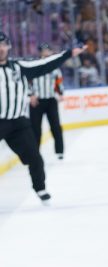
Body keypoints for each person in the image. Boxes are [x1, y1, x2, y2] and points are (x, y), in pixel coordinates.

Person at [0, 32, 82, 203]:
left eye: (3, 44)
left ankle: (40, 188)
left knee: (35, 158)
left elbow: (45, 64)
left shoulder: (19, 67)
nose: (0, 48)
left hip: (18, 123)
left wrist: (68, 53)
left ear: (8, 46)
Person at [29, 43, 66, 160]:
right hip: (37, 102)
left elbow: (58, 82)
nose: (46, 52)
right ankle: (35, 154)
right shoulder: (34, 65)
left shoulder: (55, 67)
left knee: (56, 126)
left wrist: (60, 93)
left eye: (48, 50)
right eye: (44, 50)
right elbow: (27, 81)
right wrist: (31, 95)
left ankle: (60, 151)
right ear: (40, 52)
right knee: (35, 129)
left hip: (51, 100)